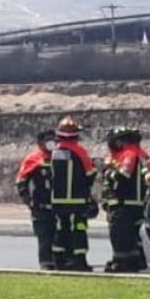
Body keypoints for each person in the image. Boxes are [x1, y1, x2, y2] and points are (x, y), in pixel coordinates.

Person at [49, 116, 97, 272]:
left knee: (60, 229)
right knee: (79, 228)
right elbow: (90, 174)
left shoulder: (53, 152)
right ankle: (79, 260)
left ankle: (59, 260)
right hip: (78, 201)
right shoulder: (80, 152)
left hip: (57, 200)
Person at [102, 127, 148, 273]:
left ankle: (122, 263)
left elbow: (124, 175)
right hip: (138, 203)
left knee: (120, 235)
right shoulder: (142, 154)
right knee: (135, 235)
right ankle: (137, 262)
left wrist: (108, 172)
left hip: (123, 203)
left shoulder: (129, 154)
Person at [15, 129, 56, 270]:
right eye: (47, 140)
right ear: (40, 143)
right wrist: (28, 200)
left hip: (61, 205)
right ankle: (46, 264)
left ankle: (61, 263)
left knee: (61, 237)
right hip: (41, 206)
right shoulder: (33, 159)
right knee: (45, 238)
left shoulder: (62, 155)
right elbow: (22, 180)